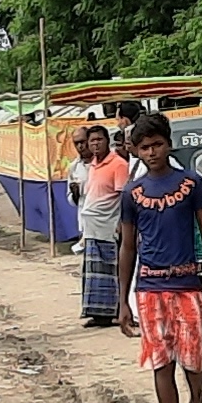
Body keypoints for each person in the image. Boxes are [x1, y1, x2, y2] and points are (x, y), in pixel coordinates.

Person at [113, 113, 202, 403]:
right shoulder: (132, 193)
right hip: (150, 288)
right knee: (162, 363)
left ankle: (196, 401)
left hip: (188, 284)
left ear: (169, 144)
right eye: (144, 147)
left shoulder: (192, 183)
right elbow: (128, 247)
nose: (152, 152)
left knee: (195, 360)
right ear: (136, 151)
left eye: (157, 145)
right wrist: (122, 300)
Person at [70, 124, 128, 329]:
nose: (95, 144)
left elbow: (123, 197)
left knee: (109, 272)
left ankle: (113, 313)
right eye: (92, 141)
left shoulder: (118, 164)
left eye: (99, 140)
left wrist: (121, 224)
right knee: (94, 274)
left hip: (108, 227)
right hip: (91, 228)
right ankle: (98, 314)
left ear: (107, 141)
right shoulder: (92, 166)